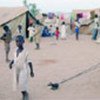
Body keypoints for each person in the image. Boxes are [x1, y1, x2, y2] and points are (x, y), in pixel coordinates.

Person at [9, 35, 34, 100]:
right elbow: (15, 58)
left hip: (24, 69)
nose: (17, 43)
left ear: (23, 41)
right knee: (17, 81)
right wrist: (11, 63)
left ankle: (25, 94)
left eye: (19, 41)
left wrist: (32, 71)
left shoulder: (26, 52)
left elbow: (29, 62)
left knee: (22, 82)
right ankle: (23, 93)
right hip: (17, 69)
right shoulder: (16, 50)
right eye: (16, 41)